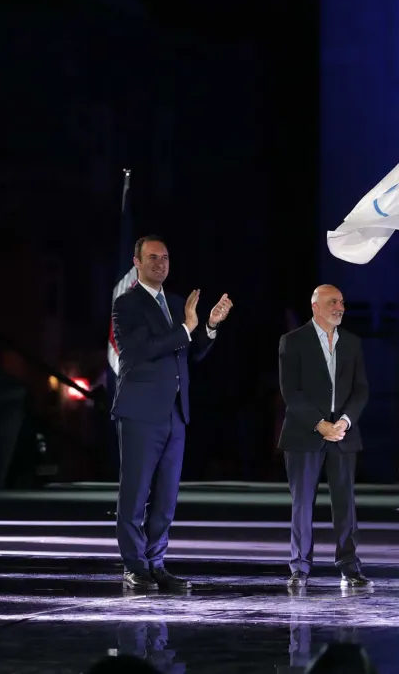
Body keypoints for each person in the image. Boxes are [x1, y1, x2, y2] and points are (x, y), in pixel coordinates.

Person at [111, 235, 233, 591]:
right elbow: (137, 351)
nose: (160, 263)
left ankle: (156, 563)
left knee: (165, 498)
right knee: (135, 495)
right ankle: (135, 566)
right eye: (152, 258)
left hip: (175, 415)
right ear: (137, 262)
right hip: (140, 412)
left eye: (165, 258)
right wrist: (186, 328)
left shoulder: (180, 304)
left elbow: (191, 353)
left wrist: (208, 325)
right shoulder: (127, 304)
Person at [278, 285, 370, 588]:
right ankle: (300, 568)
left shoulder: (352, 343)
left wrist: (343, 422)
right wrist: (320, 424)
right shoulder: (292, 341)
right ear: (315, 306)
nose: (339, 307)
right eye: (333, 302)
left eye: (342, 302)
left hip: (343, 435)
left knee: (345, 503)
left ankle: (349, 566)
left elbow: (360, 390)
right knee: (302, 503)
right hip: (305, 434)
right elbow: (291, 392)